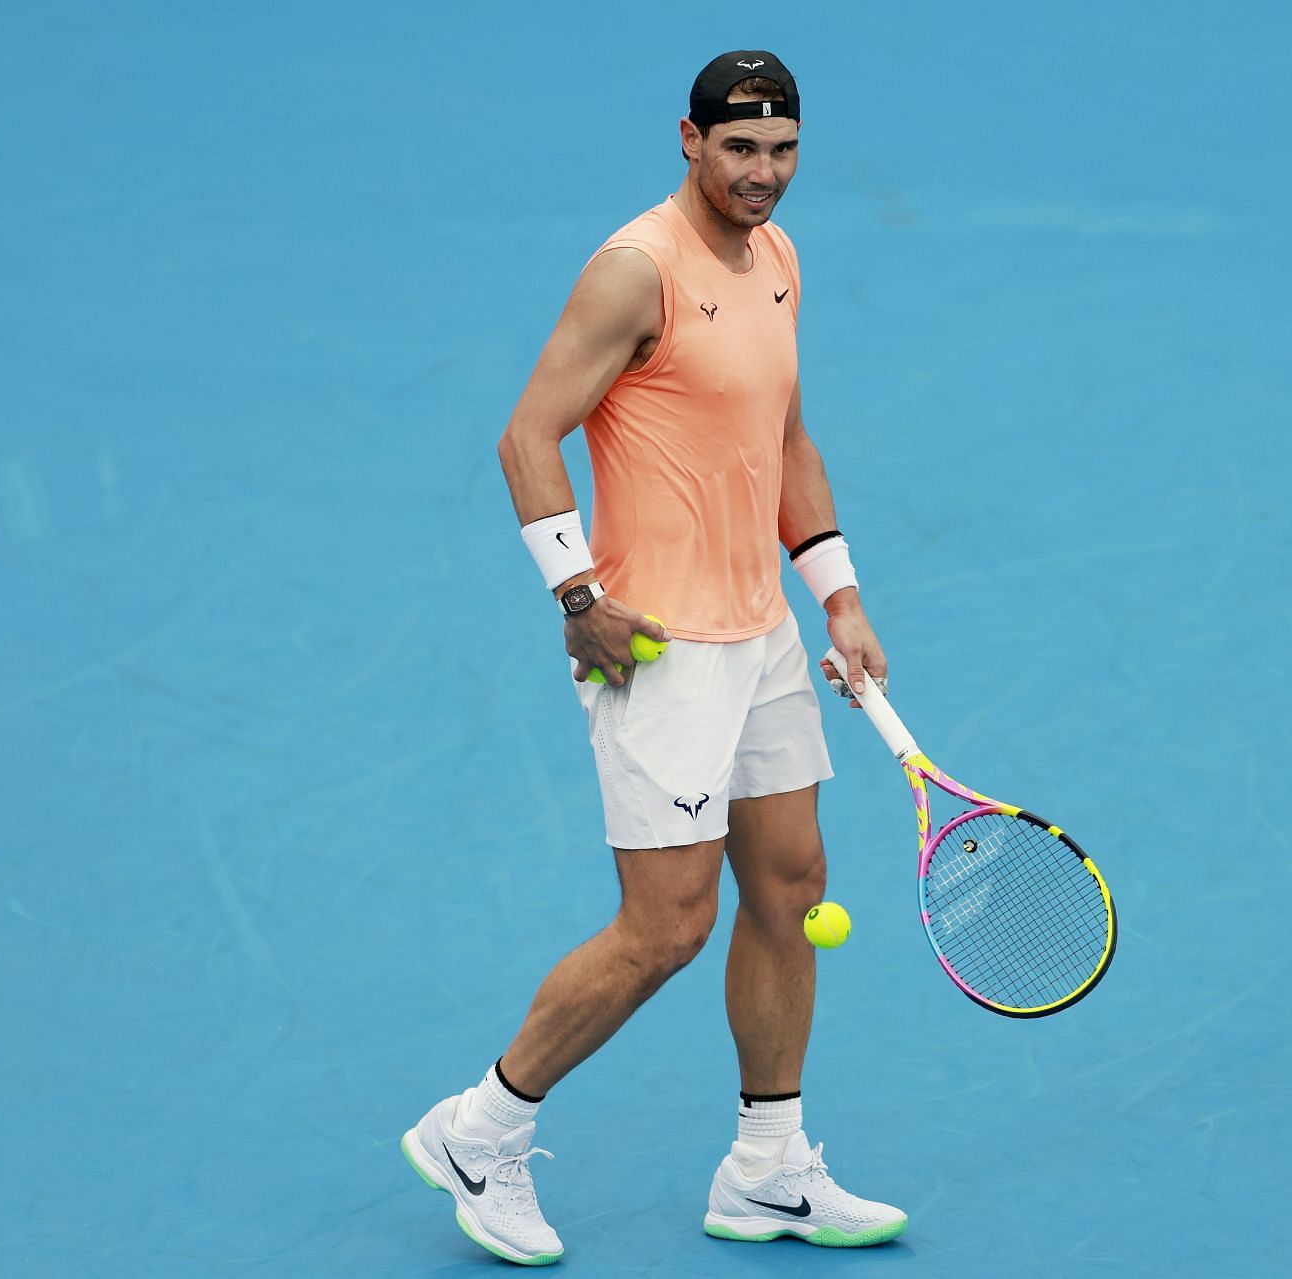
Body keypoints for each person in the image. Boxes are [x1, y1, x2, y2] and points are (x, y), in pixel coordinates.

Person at [399, 51, 906, 1265]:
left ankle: (768, 1165)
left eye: (782, 149)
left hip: (766, 636)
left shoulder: (778, 260)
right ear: (689, 141)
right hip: (659, 647)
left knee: (787, 888)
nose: (763, 175)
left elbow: (784, 438)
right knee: (666, 926)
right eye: (739, 150)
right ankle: (482, 1126)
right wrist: (576, 594)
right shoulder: (636, 273)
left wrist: (837, 597)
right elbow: (528, 434)